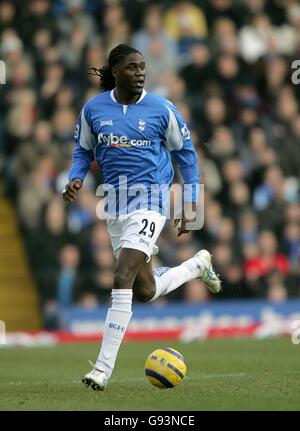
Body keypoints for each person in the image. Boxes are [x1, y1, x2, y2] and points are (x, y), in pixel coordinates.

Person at [63, 44, 221, 391]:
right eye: (132, 67)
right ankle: (196, 267)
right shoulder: (93, 109)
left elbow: (187, 155)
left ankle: (102, 369)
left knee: (121, 277)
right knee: (145, 289)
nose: (140, 72)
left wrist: (190, 201)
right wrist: (76, 177)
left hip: (151, 201)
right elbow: (83, 150)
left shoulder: (162, 109)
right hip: (114, 205)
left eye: (143, 67)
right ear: (115, 71)